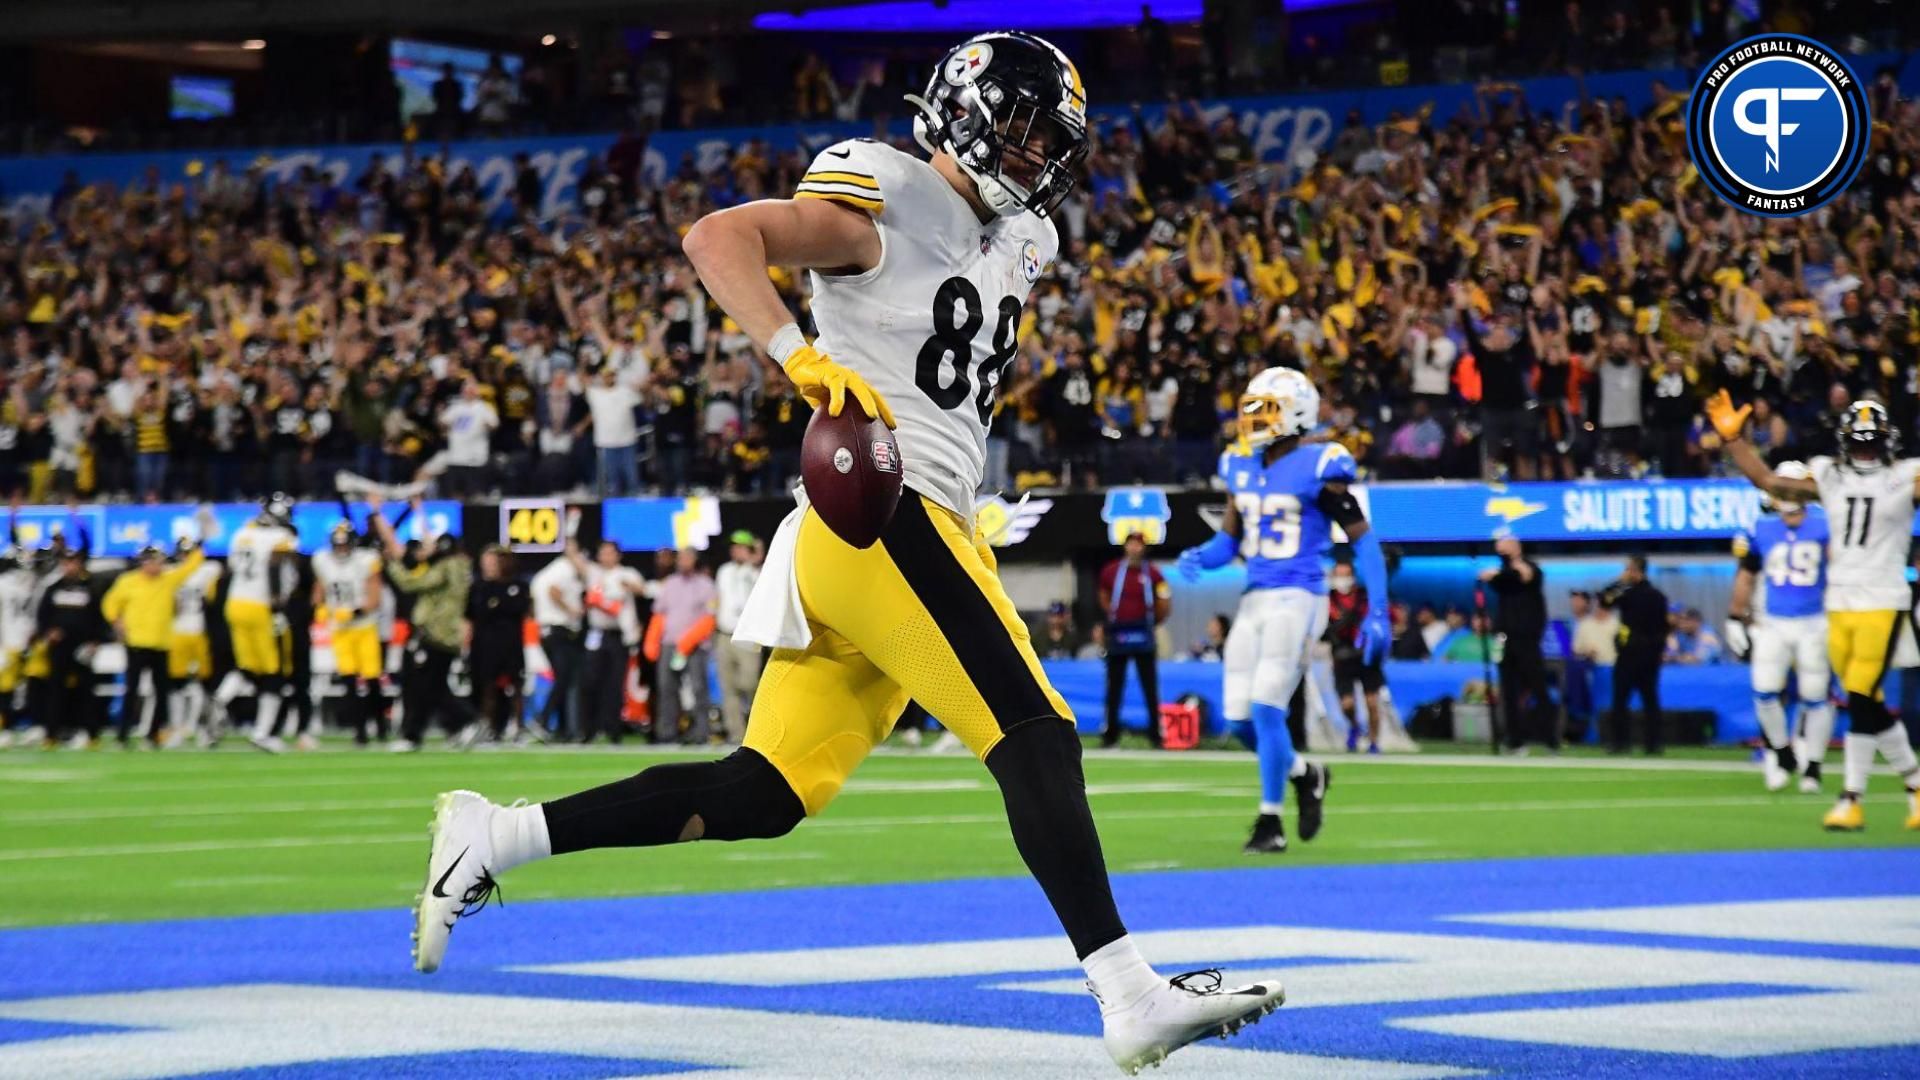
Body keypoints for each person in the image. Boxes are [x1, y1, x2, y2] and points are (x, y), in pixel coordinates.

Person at [411, 32, 1285, 1073]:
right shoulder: (888, 188)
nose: (1029, 153)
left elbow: (940, 378)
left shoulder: (1024, 240)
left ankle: (495, 837)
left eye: (1046, 138)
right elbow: (718, 239)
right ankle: (1128, 994)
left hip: (917, 521)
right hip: (876, 511)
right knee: (1037, 734)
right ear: (962, 110)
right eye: (1017, 125)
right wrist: (802, 357)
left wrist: (973, 506)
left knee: (765, 791)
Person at [1176, 365, 1387, 854]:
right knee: (1238, 720)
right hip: (1254, 597)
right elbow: (1229, 541)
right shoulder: (1241, 465)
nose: (1252, 419)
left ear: (1295, 413)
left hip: (1300, 595)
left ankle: (1270, 821)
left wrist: (1378, 607)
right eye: (1250, 409)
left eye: (1263, 409)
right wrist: (1201, 556)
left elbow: (1363, 543)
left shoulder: (1322, 463)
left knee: (1268, 707)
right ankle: (1305, 773)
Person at [1709, 391, 1920, 830]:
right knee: (1867, 701)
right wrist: (1733, 442)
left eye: (1870, 441)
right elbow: (1770, 482)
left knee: (1860, 696)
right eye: (1859, 440)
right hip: (1838, 603)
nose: (1864, 449)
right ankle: (1915, 786)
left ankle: (1851, 798)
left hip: (1882, 599)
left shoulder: (1906, 476)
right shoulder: (1828, 475)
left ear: (1887, 442)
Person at [1726, 464, 1833, 792]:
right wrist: (1734, 615)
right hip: (1772, 621)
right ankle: (1781, 751)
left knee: (1816, 695)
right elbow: (1746, 574)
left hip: (1815, 619)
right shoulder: (1760, 527)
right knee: (1765, 691)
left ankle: (1813, 766)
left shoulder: (1825, 523)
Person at [372, 508, 474, 751]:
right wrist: (419, 510)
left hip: (434, 633)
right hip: (446, 634)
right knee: (431, 685)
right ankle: (451, 727)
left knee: (424, 686)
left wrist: (392, 565)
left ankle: (461, 722)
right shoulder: (460, 567)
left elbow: (411, 582)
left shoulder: (446, 568)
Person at [101, 540, 205, 747]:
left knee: (161, 692)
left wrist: (195, 544)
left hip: (161, 644)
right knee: (132, 690)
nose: (158, 566)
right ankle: (123, 735)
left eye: (160, 561)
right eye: (154, 561)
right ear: (143, 562)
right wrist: (117, 621)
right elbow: (109, 603)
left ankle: (153, 734)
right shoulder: (128, 581)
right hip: (137, 643)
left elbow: (192, 566)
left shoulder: (168, 580)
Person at [222, 494, 299, 753]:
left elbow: (233, 568)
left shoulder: (242, 533)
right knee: (273, 672)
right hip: (260, 606)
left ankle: (220, 700)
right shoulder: (279, 538)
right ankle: (262, 732)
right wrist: (277, 607)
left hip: (235, 602)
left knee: (247, 666)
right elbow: (274, 568)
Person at [1480, 534, 1557, 754]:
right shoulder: (1502, 579)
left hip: (1527, 639)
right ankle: (1515, 740)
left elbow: (1524, 575)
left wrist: (1510, 563)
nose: (1501, 553)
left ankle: (1550, 739)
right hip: (1505, 638)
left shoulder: (1531, 569)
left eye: (1505, 549)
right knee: (1509, 691)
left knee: (1537, 687)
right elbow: (1490, 577)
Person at [312, 522, 385, 748]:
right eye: (338, 546)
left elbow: (374, 599)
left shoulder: (366, 560)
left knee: (372, 680)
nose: (342, 550)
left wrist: (354, 611)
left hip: (365, 627)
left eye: (345, 546)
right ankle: (360, 731)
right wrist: (321, 609)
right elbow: (319, 594)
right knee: (349, 681)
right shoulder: (322, 561)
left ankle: (381, 725)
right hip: (341, 631)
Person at [1097, 531, 1168, 748]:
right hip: (1119, 632)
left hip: (1143, 631)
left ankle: (1155, 734)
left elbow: (1164, 600)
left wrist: (1153, 620)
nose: (1135, 548)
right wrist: (1112, 616)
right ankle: (1111, 734)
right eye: (1131, 544)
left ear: (1144, 548)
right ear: (1125, 547)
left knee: (1150, 686)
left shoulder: (1154, 574)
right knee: (1114, 686)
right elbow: (1103, 595)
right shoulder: (1111, 571)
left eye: (1139, 545)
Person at [36, 543, 106, 749]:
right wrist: (48, 633)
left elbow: (98, 618)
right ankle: (52, 734)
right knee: (55, 690)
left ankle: (92, 734)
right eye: (66, 562)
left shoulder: (90, 588)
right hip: (60, 646)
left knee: (86, 690)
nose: (70, 566)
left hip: (83, 647)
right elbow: (43, 617)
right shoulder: (53, 588)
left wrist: (96, 641)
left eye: (73, 562)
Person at [649, 547, 718, 745]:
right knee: (666, 688)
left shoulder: (705, 585)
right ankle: (667, 732)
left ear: (695, 560)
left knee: (698, 688)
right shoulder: (670, 583)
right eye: (681, 558)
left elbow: (710, 616)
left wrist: (689, 640)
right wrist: (652, 641)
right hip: (670, 643)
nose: (683, 561)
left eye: (688, 557)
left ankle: (701, 732)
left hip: (695, 645)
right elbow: (659, 614)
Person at [1601, 555, 1669, 755]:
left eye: (1628, 569)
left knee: (1620, 700)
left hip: (1629, 654)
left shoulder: (1628, 594)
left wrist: (1620, 582)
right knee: (1650, 701)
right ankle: (1653, 743)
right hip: (1650, 655)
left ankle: (1620, 742)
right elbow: (1663, 629)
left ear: (1636, 571)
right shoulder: (1658, 596)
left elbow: (1604, 599)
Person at [579, 540, 643, 745]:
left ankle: (614, 730)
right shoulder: (594, 573)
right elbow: (574, 559)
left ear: (618, 555)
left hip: (618, 635)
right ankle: (589, 729)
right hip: (597, 633)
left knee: (615, 685)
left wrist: (630, 587)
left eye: (610, 553)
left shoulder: (627, 573)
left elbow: (642, 589)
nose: (606, 557)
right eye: (603, 553)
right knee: (590, 682)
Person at [464, 545, 530, 745]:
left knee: (515, 686)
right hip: (485, 645)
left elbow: (519, 609)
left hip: (511, 643)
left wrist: (497, 606)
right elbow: (471, 616)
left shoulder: (518, 585)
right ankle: (488, 729)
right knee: (487, 687)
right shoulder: (478, 587)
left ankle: (518, 728)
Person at [1326, 560, 1385, 753]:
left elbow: (1379, 620)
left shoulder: (1364, 598)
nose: (1343, 579)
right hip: (1343, 656)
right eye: (1339, 574)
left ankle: (1374, 742)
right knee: (1347, 704)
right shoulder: (1328, 600)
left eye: (1346, 574)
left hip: (1366, 656)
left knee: (1372, 702)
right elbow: (1326, 630)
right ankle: (1355, 726)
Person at [529, 548, 586, 741]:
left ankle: (561, 729)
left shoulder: (548, 570)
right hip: (558, 630)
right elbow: (553, 590)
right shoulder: (564, 568)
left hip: (547, 630)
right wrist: (572, 610)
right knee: (564, 678)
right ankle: (542, 720)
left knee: (564, 679)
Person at [713, 530, 762, 744]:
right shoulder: (724, 571)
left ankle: (757, 730)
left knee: (749, 683)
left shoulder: (758, 573)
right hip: (724, 634)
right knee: (728, 687)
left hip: (748, 636)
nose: (736, 550)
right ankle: (736, 735)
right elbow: (719, 599)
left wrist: (754, 562)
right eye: (734, 546)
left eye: (742, 546)